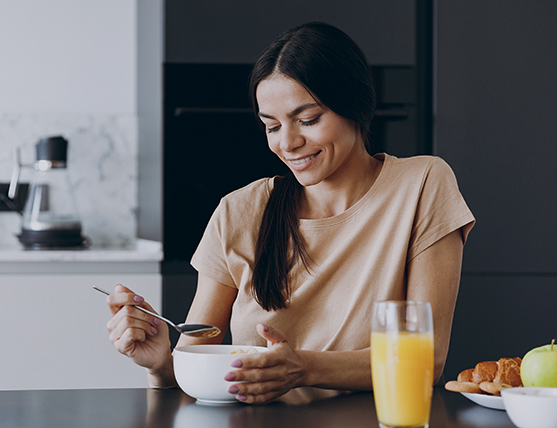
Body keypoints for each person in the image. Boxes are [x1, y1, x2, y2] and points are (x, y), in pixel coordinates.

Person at [104, 22, 475, 404]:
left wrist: (304, 368)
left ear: (355, 106)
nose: (288, 142)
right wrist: (161, 364)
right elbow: (196, 361)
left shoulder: (423, 183)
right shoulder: (238, 211)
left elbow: (425, 358)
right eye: (272, 126)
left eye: (308, 120)